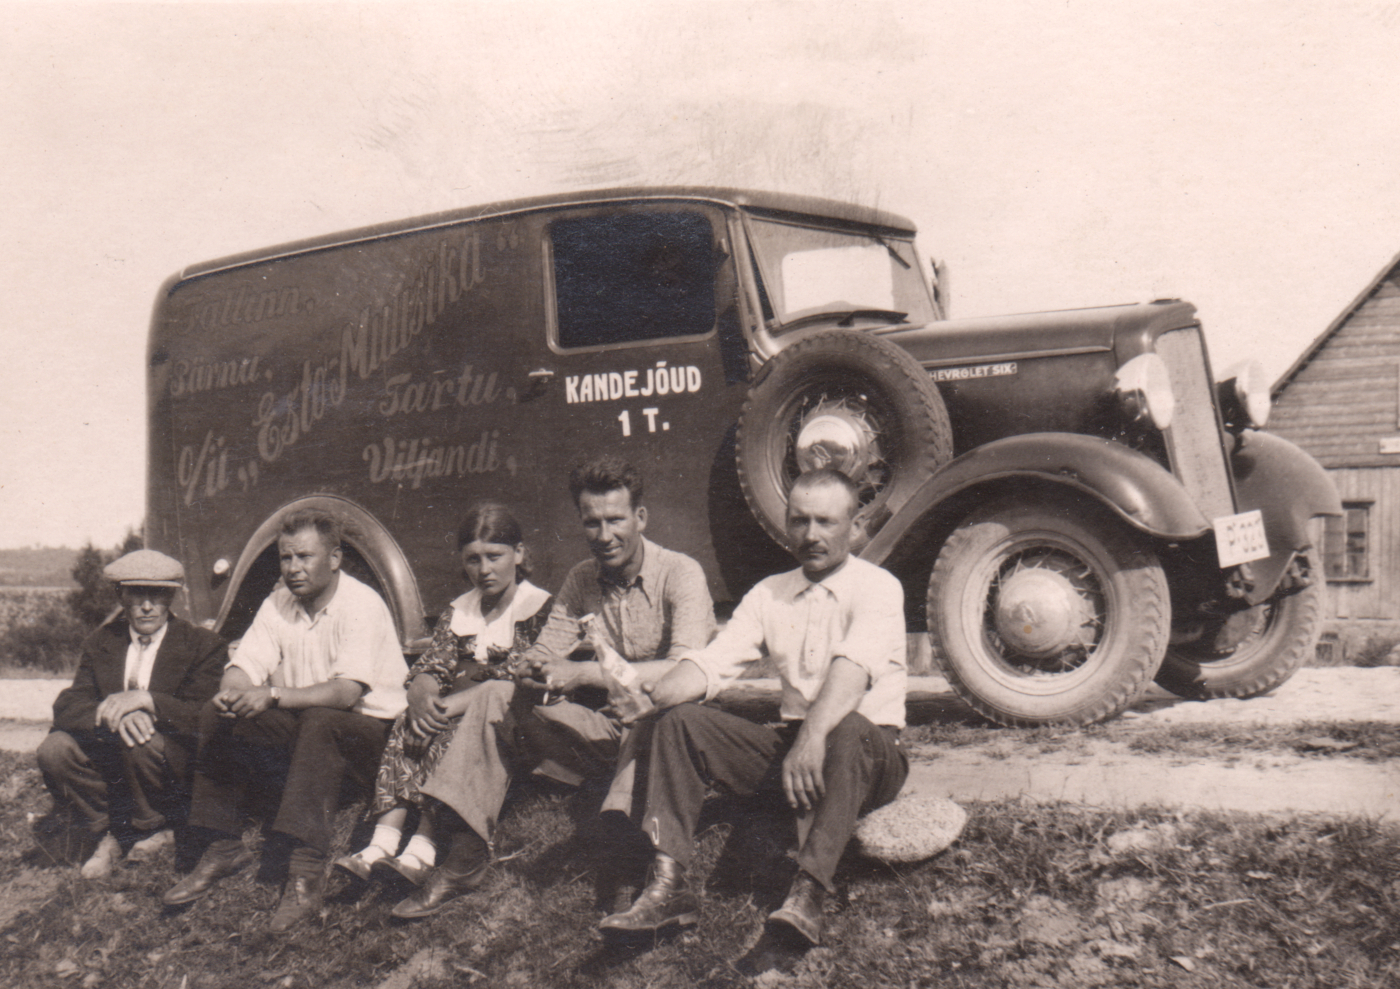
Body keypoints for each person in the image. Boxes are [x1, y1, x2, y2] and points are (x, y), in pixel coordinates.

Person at [390, 455, 715, 919]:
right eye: (592, 523)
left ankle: (629, 866)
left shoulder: (681, 574)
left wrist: (582, 674)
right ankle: (464, 857)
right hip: (605, 732)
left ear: (640, 518)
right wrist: (534, 671)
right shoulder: (582, 579)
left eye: (615, 520)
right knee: (497, 694)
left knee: (655, 720)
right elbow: (540, 654)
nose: (604, 535)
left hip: (664, 734)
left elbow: (686, 671)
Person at [600, 468, 908, 947]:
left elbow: (852, 671)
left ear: (855, 526)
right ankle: (667, 886)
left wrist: (812, 738)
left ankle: (809, 893)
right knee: (679, 721)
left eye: (826, 522)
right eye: (800, 521)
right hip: (796, 753)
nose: (811, 535)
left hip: (867, 754)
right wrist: (652, 698)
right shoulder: (770, 592)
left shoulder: (879, 586)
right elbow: (713, 662)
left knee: (847, 727)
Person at [161, 509, 408, 932]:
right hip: (310, 731)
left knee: (321, 720)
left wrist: (272, 695)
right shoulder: (278, 603)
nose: (293, 568)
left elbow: (346, 693)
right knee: (217, 712)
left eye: (304, 557)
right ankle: (222, 846)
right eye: (286, 557)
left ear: (334, 558)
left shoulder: (362, 604)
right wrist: (233, 691)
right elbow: (244, 665)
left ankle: (305, 870)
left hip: (371, 740)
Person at [333, 503, 552, 884]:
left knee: (450, 733)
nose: (484, 569)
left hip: (507, 714)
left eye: (494, 557)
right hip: (452, 704)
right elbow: (435, 662)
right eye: (473, 559)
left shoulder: (536, 609)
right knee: (409, 722)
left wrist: (443, 709)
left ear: (518, 554)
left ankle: (424, 846)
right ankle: (382, 843)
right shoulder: (460, 611)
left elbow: (513, 678)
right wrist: (422, 694)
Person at [38, 549, 227, 877]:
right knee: (54, 749)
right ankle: (109, 832)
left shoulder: (202, 644)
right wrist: (115, 714)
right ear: (121, 596)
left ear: (172, 597)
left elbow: (202, 714)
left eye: (157, 595)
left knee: (140, 738)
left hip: (169, 763)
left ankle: (156, 827)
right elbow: (68, 704)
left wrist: (148, 701)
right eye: (136, 594)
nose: (147, 606)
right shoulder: (101, 641)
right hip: (115, 756)